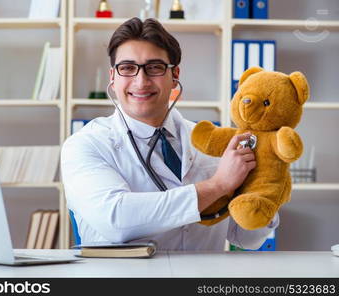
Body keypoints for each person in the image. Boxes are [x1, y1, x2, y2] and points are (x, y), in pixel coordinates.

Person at [61, 17, 279, 251]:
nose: (141, 81)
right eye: (127, 68)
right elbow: (116, 220)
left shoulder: (214, 143)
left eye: (154, 67)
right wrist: (218, 185)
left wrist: (266, 182)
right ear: (113, 78)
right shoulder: (85, 145)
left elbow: (247, 238)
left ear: (175, 75)